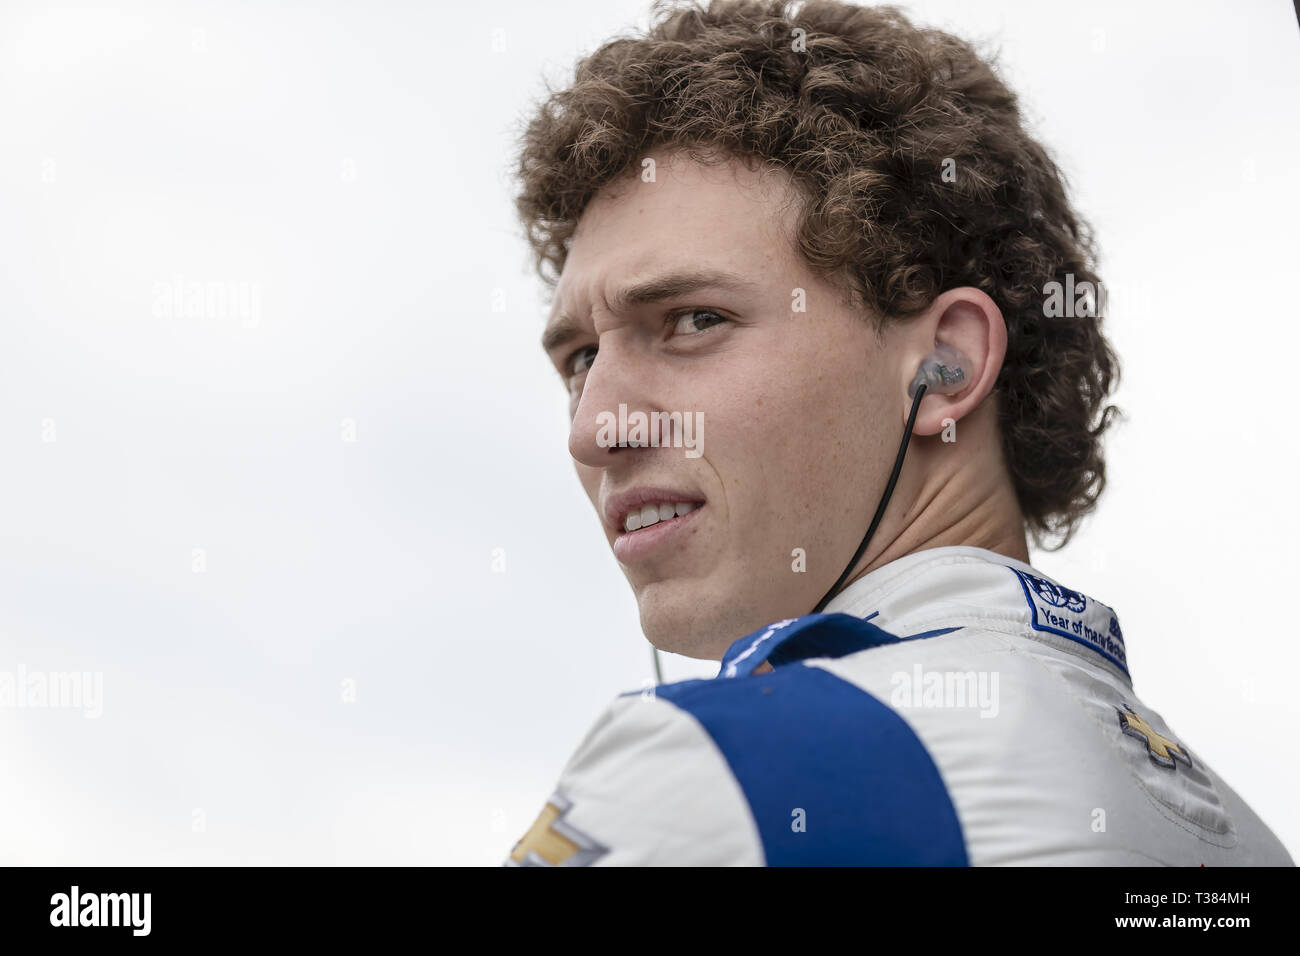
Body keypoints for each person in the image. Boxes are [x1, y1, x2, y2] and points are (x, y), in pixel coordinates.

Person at [504, 0, 1292, 865]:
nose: (593, 428)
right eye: (580, 358)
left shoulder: (709, 775)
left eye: (694, 320)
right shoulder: (1250, 841)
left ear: (943, 370)